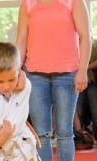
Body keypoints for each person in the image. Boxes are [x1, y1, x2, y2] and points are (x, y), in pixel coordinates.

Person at [16, 0, 91, 161]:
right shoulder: (27, 4)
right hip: (35, 75)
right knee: (41, 132)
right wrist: (16, 71)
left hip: (67, 74)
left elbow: (85, 36)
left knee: (65, 132)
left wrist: (83, 70)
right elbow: (21, 40)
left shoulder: (74, 2)